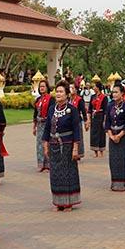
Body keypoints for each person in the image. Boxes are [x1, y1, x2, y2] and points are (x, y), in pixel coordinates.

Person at [43, 80, 82, 210]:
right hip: (54, 145)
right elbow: (47, 128)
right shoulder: (51, 109)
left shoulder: (72, 110)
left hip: (67, 146)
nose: (58, 94)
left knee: (67, 173)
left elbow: (76, 130)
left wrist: (75, 148)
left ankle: (68, 202)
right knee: (55, 174)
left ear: (66, 94)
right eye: (57, 91)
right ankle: (58, 202)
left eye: (61, 92)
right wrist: (45, 145)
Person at [104, 82, 125, 191]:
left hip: (123, 137)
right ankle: (115, 183)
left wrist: (119, 135)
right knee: (114, 160)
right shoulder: (110, 105)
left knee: (124, 159)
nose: (114, 94)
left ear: (122, 93)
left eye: (116, 92)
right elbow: (107, 122)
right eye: (113, 92)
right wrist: (111, 135)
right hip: (112, 136)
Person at [33, 80, 53, 171]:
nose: (42, 88)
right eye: (40, 86)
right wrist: (34, 126)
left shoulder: (51, 99)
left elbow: (52, 113)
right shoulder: (38, 100)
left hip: (47, 124)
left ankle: (49, 164)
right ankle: (41, 164)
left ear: (47, 87)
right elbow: (35, 113)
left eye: (43, 86)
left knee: (47, 143)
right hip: (40, 125)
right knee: (40, 145)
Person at [69, 83, 89, 158]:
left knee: (78, 137)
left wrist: (86, 121)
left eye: (73, 88)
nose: (71, 90)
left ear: (76, 90)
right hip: (69, 122)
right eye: (70, 88)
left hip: (77, 121)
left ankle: (79, 153)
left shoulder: (79, 100)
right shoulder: (68, 99)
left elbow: (83, 111)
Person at [89, 81, 108, 157]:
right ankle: (95, 152)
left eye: (94, 86)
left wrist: (104, 120)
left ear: (98, 88)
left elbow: (106, 110)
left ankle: (101, 151)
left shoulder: (104, 97)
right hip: (94, 117)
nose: (93, 88)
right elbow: (90, 108)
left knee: (101, 134)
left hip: (100, 116)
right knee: (94, 134)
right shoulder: (92, 96)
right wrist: (89, 118)